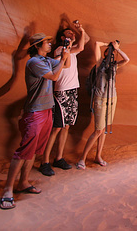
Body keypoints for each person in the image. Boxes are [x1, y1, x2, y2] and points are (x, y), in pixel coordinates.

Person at [0, 33, 70, 210]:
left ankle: (23, 183)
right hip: (36, 111)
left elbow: (64, 65)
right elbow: (54, 77)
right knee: (25, 150)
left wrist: (65, 54)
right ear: (38, 45)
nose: (50, 44)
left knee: (35, 150)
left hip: (46, 110)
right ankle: (8, 190)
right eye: (47, 42)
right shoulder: (34, 62)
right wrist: (62, 59)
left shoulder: (45, 60)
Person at [39, 20, 90, 176]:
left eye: (72, 33)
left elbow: (85, 40)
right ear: (62, 37)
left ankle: (59, 158)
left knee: (66, 126)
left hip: (72, 91)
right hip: (61, 91)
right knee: (56, 128)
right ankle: (45, 161)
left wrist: (80, 30)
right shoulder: (61, 49)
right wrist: (71, 41)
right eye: (68, 33)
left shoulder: (72, 49)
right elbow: (80, 47)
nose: (72, 34)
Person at [76, 40, 129, 170]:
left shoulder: (115, 65)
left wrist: (117, 49)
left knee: (104, 129)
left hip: (112, 98)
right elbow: (96, 44)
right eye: (109, 51)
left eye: (113, 51)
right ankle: (82, 158)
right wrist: (108, 45)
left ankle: (98, 156)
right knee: (98, 130)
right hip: (100, 99)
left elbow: (127, 59)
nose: (111, 53)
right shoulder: (100, 63)